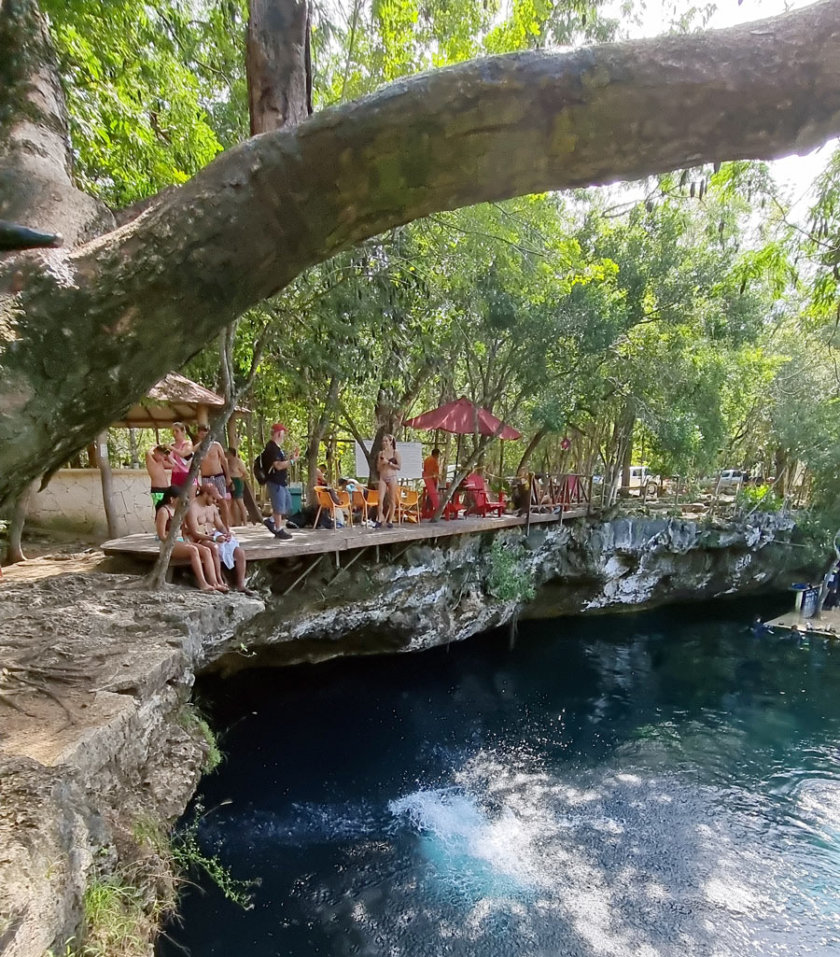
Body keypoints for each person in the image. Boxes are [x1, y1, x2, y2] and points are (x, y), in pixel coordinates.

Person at [187, 484, 254, 594]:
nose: (214, 501)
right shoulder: (192, 507)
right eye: (213, 498)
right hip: (200, 538)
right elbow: (194, 533)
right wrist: (214, 538)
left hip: (214, 536)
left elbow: (220, 525)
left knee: (240, 552)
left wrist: (226, 533)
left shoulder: (212, 507)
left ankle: (241, 585)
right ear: (205, 494)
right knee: (214, 547)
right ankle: (218, 580)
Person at [154, 487, 224, 592]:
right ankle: (202, 583)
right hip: (167, 543)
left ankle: (215, 582)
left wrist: (187, 539)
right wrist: (175, 541)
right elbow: (161, 536)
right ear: (172, 499)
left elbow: (183, 531)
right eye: (180, 499)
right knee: (193, 550)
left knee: (206, 550)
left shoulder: (180, 511)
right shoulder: (164, 512)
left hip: (180, 542)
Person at [261, 423, 299, 540]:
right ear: (278, 433)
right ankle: (279, 530)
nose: (284, 436)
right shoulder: (271, 448)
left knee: (287, 504)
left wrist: (290, 459)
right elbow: (277, 465)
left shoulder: (277, 448)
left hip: (281, 482)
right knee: (278, 507)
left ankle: (271, 521)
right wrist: (292, 461)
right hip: (275, 482)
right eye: (283, 433)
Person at [195, 424, 232, 527]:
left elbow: (224, 461)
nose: (203, 433)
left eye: (205, 431)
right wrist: (196, 480)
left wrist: (228, 476)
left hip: (218, 476)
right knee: (208, 503)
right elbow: (193, 464)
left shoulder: (216, 445)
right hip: (206, 478)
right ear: (198, 433)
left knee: (223, 501)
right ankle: (211, 527)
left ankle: (226, 526)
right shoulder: (197, 448)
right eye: (201, 431)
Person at [375, 434, 401, 528]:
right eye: (383, 441)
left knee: (392, 499)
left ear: (390, 442)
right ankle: (379, 519)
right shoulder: (381, 453)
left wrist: (389, 462)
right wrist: (382, 463)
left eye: (386, 441)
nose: (384, 443)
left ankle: (390, 520)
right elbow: (378, 468)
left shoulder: (395, 453)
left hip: (392, 477)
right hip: (383, 477)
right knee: (379, 499)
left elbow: (399, 467)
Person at [226, 446, 250, 526]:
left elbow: (245, 474)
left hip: (238, 481)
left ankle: (245, 523)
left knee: (240, 502)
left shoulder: (238, 462)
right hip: (230, 482)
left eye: (228, 453)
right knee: (231, 502)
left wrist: (239, 481)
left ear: (232, 454)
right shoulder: (226, 462)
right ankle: (235, 522)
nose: (226, 454)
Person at [168, 422, 195, 489]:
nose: (174, 433)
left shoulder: (187, 444)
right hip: (175, 475)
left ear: (183, 432)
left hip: (185, 474)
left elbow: (184, 454)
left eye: (177, 431)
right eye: (173, 431)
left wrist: (172, 448)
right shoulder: (171, 445)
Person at [422, 447, 441, 512]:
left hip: (429, 479)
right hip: (431, 480)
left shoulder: (427, 459)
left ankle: (429, 508)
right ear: (436, 454)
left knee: (430, 495)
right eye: (438, 455)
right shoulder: (432, 460)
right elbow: (432, 471)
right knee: (432, 495)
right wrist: (438, 478)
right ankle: (430, 509)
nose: (438, 456)